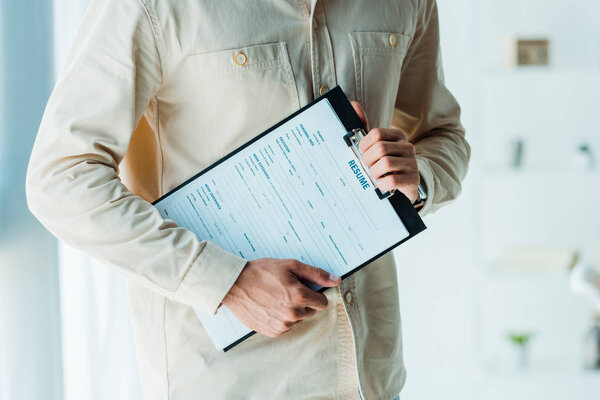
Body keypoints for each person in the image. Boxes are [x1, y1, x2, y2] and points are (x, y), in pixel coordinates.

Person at [26, 0, 470, 399]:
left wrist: (419, 178)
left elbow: (442, 134)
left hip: (370, 379)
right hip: (228, 383)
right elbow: (61, 176)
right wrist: (225, 281)